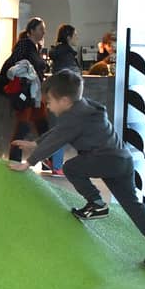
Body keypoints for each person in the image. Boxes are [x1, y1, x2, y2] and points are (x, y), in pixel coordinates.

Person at [9, 69, 145, 268]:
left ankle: (96, 203)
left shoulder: (74, 117)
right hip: (122, 160)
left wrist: (29, 163)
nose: (48, 107)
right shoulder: (85, 108)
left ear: (64, 101)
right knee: (132, 204)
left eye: (49, 102)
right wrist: (36, 144)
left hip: (106, 160)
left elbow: (57, 139)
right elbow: (58, 132)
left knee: (70, 168)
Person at [7, 17, 54, 170]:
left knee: (41, 126)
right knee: (25, 126)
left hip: (34, 94)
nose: (43, 32)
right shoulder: (25, 45)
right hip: (27, 93)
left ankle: (48, 161)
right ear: (32, 30)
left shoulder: (34, 46)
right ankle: (16, 159)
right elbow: (16, 65)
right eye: (41, 29)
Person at [46, 23, 81, 175]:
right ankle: (57, 166)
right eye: (75, 35)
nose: (77, 37)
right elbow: (70, 78)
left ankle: (53, 162)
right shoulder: (67, 55)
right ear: (68, 37)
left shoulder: (60, 53)